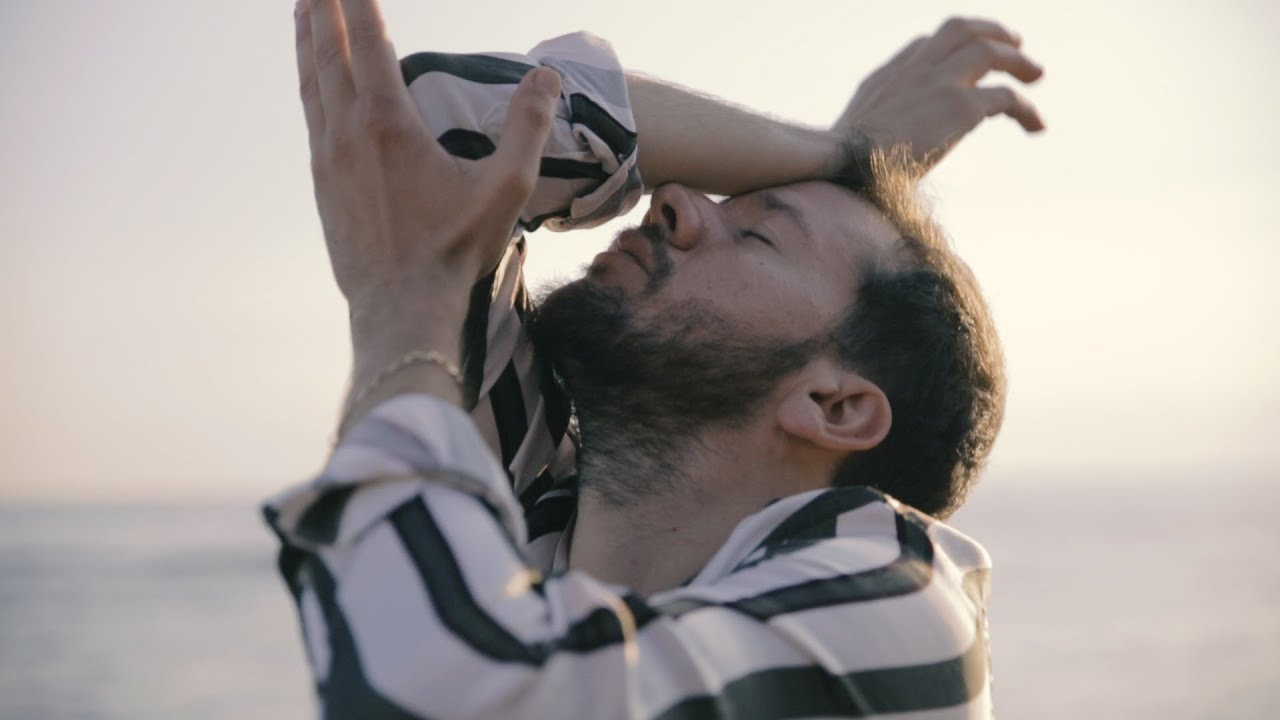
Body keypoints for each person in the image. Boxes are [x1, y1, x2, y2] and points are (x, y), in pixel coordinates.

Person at [265, 0, 1045, 717]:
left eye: (760, 233)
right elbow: (446, 137)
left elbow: (449, 691)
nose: (670, 195)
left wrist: (403, 305)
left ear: (834, 406)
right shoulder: (534, 510)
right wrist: (843, 151)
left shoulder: (903, 607)